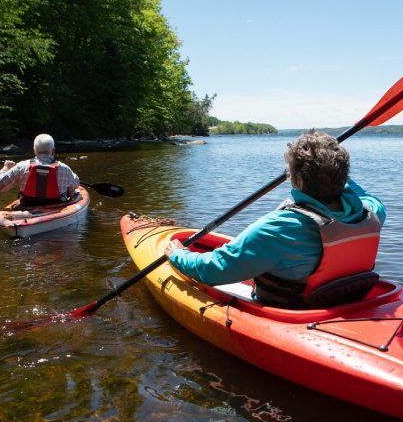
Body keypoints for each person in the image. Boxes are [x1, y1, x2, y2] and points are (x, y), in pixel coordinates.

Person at [165, 130, 386, 308]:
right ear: (344, 175)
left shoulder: (276, 229)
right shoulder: (372, 213)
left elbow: (214, 270)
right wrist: (336, 174)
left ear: (297, 179)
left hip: (297, 311)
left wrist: (179, 256)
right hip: (347, 302)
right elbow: (366, 196)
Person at [0, 134, 80, 205]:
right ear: (53, 150)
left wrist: (5, 168)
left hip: (28, 205)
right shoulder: (64, 168)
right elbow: (76, 184)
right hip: (56, 204)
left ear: (34, 150)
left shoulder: (22, 166)